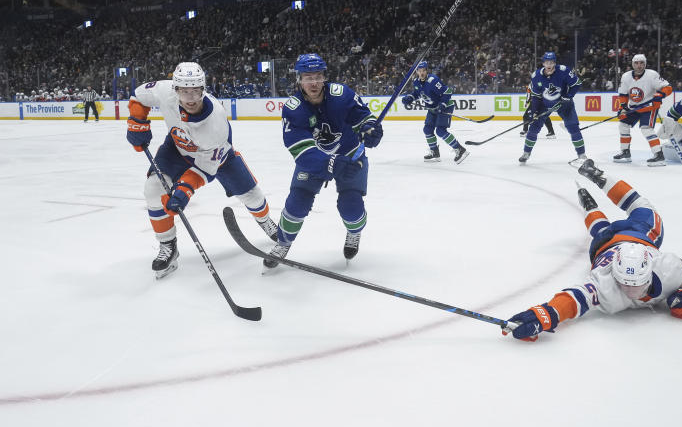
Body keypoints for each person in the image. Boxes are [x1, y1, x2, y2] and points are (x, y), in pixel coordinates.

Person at [502, 158, 682, 341]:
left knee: (619, 221)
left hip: (621, 240)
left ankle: (594, 189)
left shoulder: (668, 267)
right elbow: (575, 298)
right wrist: (545, 314)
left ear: (650, 272)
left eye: (636, 286)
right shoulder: (607, 283)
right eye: (625, 285)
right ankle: (593, 193)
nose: (631, 293)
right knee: (625, 218)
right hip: (626, 238)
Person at [125, 62, 279, 278]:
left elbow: (206, 168)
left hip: (219, 158)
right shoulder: (165, 90)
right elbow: (139, 96)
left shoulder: (215, 122)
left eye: (195, 91)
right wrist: (136, 121)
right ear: (175, 89)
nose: (189, 98)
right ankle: (168, 246)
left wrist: (184, 190)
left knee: (253, 196)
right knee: (153, 188)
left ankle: (265, 221)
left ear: (203, 89)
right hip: (177, 149)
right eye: (184, 91)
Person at [264, 53, 383, 269]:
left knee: (351, 207)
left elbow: (362, 116)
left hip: (350, 156)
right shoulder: (294, 108)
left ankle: (354, 233)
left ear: (324, 77)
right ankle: (283, 242)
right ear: (299, 79)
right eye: (308, 77)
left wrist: (369, 128)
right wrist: (329, 163)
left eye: (318, 76)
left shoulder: (341, 94)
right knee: (297, 203)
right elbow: (299, 147)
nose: (314, 82)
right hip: (314, 161)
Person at [520, 52, 585, 164]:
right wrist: (534, 112)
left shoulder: (564, 71)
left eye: (551, 62)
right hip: (544, 105)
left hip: (564, 104)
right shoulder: (536, 76)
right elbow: (535, 97)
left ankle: (582, 155)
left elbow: (577, 84)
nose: (549, 65)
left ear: (555, 63)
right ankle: (526, 153)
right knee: (533, 129)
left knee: (573, 128)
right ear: (543, 63)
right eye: (546, 62)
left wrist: (568, 96)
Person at [401, 61, 469, 164]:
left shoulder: (433, 81)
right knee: (427, 129)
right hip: (432, 109)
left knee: (440, 131)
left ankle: (460, 150)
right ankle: (435, 153)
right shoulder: (416, 82)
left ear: (426, 70)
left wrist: (442, 105)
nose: (422, 73)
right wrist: (410, 98)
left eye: (423, 70)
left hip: (445, 106)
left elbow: (447, 92)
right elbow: (417, 94)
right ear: (417, 72)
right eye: (419, 71)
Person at [614, 54, 673, 166]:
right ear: (632, 64)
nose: (639, 65)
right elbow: (623, 94)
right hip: (634, 107)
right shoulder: (626, 76)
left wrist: (661, 94)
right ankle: (625, 152)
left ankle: (659, 155)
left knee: (646, 129)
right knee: (623, 125)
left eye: (642, 63)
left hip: (649, 107)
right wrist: (623, 107)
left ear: (645, 64)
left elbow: (668, 87)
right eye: (636, 63)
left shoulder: (652, 75)